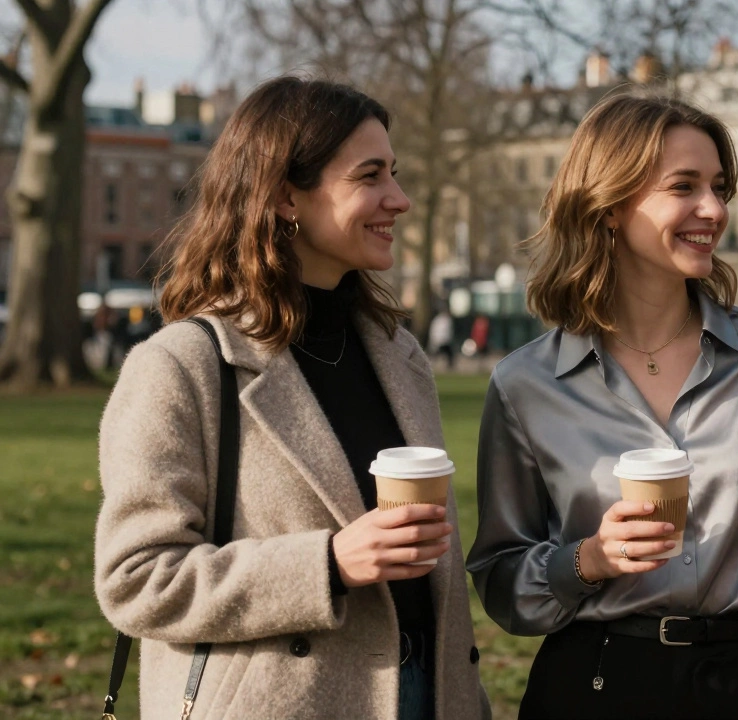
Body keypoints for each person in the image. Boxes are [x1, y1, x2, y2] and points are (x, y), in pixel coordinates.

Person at [466, 92, 738, 720]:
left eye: (719, 186)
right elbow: (499, 580)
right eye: (684, 186)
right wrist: (586, 561)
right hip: (595, 687)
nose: (713, 209)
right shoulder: (526, 384)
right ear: (608, 206)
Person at [94, 77, 488, 720]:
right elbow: (137, 579)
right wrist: (327, 564)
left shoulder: (401, 357)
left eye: (395, 172)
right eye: (370, 176)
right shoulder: (182, 366)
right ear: (284, 196)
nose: (401, 198)